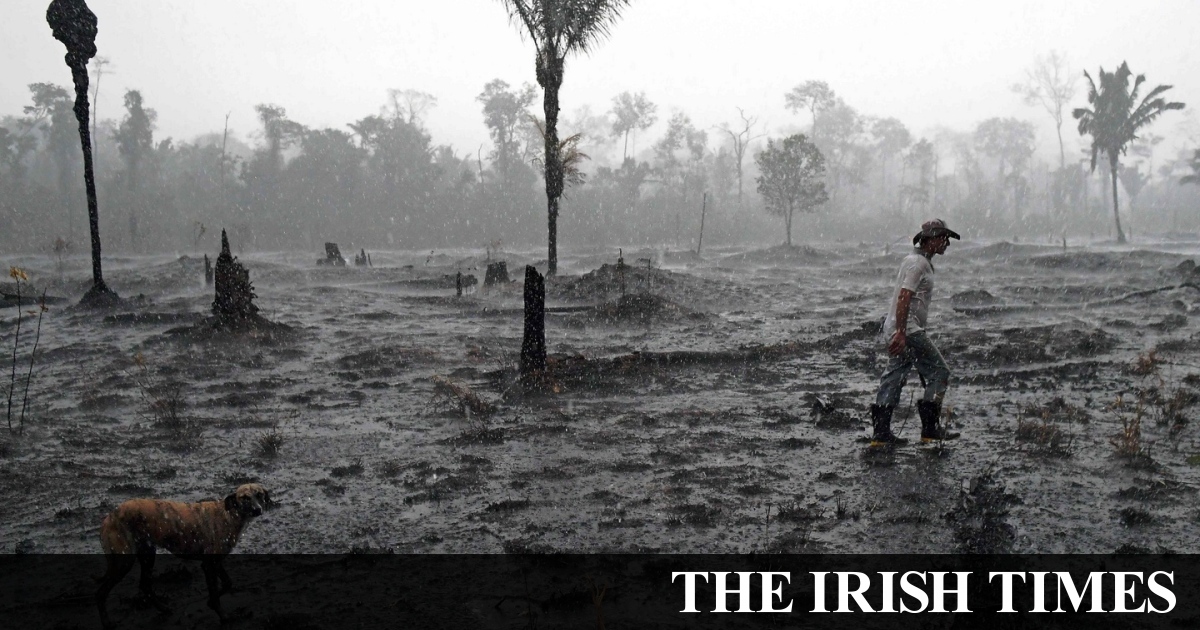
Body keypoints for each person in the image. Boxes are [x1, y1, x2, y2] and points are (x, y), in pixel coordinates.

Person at [870, 219, 961, 446]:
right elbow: (904, 297)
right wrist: (902, 332)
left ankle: (881, 434)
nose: (947, 244)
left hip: (901, 327)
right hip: (907, 329)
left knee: (895, 374)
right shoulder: (917, 264)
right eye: (943, 238)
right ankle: (930, 430)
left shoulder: (917, 261)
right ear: (930, 239)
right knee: (940, 372)